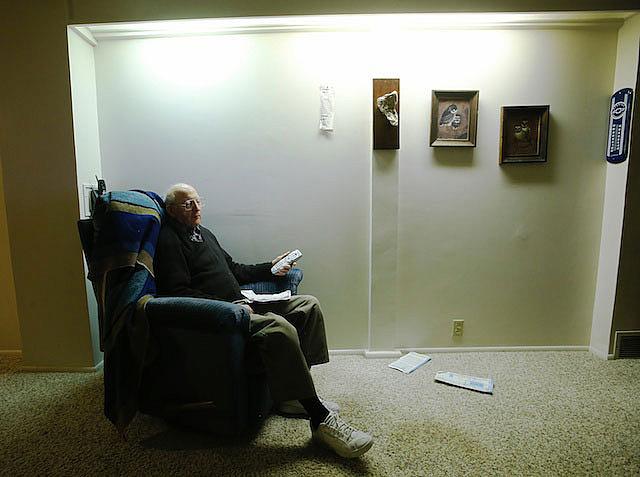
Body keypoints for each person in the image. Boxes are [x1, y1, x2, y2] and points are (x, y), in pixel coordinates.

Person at [154, 183, 373, 458]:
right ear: (172, 210)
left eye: (199, 201)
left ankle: (294, 396)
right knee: (279, 328)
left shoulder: (205, 234)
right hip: (222, 317)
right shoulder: (169, 240)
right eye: (188, 204)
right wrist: (230, 306)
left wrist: (272, 267)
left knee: (308, 306)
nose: (197, 208)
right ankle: (319, 417)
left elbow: (235, 270)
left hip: (245, 304)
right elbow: (176, 291)